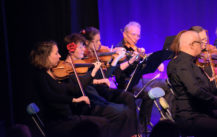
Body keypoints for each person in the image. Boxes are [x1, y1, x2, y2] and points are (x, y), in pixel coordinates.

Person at [29, 40, 112, 137]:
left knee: (103, 122)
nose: (60, 56)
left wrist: (92, 74)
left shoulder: (54, 73)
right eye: (56, 53)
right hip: (57, 123)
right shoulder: (40, 76)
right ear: (46, 56)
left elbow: (73, 88)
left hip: (68, 117)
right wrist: (75, 100)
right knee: (100, 125)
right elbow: (50, 96)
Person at [62, 33, 139, 137]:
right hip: (87, 103)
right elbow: (81, 84)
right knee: (122, 111)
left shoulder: (82, 63)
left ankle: (133, 134)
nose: (83, 49)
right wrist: (95, 75)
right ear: (71, 49)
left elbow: (95, 79)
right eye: (80, 47)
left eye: (83, 46)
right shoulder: (67, 68)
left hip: (96, 97)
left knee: (126, 108)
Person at [114, 21, 170, 133]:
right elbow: (119, 71)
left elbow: (144, 64)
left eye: (138, 35)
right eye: (133, 34)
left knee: (166, 84)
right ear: (125, 34)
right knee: (149, 94)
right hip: (126, 83)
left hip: (137, 80)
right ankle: (142, 128)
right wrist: (133, 59)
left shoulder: (134, 49)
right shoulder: (119, 49)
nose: (136, 38)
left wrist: (156, 62)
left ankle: (166, 120)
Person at [167, 30, 217, 136]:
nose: (204, 46)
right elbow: (195, 90)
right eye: (200, 43)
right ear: (192, 45)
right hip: (191, 116)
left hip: (202, 111)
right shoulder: (181, 64)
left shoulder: (190, 63)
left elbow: (206, 88)